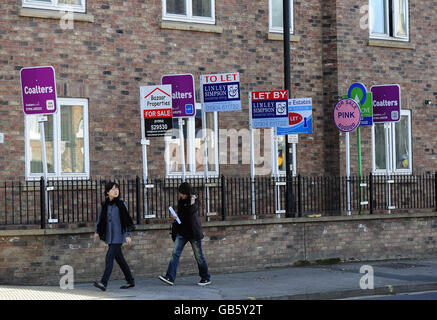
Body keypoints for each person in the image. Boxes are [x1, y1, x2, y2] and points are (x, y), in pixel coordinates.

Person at [159, 182, 211, 286]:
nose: (180, 195)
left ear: (187, 193)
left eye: (182, 193)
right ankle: (170, 277)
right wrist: (176, 217)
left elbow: (191, 211)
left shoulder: (194, 201)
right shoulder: (181, 201)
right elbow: (182, 215)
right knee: (175, 254)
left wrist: (192, 200)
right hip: (182, 231)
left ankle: (206, 278)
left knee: (199, 256)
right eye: (180, 193)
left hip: (193, 232)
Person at [93, 181, 135, 291]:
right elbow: (100, 218)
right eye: (112, 189)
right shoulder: (105, 205)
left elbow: (126, 220)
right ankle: (130, 281)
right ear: (107, 192)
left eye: (117, 188)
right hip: (109, 236)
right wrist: (97, 230)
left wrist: (127, 235)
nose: (115, 191)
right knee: (120, 259)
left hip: (119, 236)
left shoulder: (121, 204)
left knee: (109, 257)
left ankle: (103, 282)